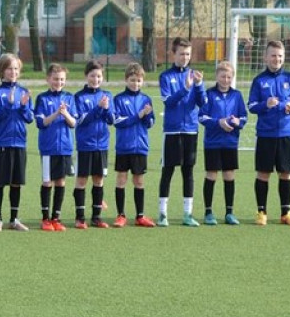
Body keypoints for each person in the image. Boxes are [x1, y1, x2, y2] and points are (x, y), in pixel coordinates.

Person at [248, 39, 290, 226]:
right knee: (263, 173)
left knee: (286, 173)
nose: (277, 59)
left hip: (286, 133)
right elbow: (252, 106)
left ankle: (285, 213)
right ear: (265, 57)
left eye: (280, 56)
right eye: (273, 55)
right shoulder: (259, 81)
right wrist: (266, 104)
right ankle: (261, 212)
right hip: (266, 134)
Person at [157, 37, 205, 227]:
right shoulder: (165, 76)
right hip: (172, 131)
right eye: (181, 53)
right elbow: (169, 102)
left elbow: (203, 103)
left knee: (188, 172)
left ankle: (187, 213)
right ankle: (162, 213)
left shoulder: (196, 76)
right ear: (173, 54)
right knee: (168, 171)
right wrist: (186, 88)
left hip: (191, 130)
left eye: (188, 54)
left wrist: (199, 86)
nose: (185, 57)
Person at [0, 53, 34, 231]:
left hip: (19, 144)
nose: (13, 72)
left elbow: (29, 118)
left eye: (16, 68)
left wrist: (23, 105)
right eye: (9, 68)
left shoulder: (24, 91)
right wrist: (8, 104)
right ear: (2, 70)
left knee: (16, 182)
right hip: (2, 143)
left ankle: (14, 219)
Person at [198, 60, 247, 226]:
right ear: (217, 76)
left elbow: (244, 117)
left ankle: (229, 212)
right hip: (212, 142)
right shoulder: (209, 94)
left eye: (228, 77)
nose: (225, 79)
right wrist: (219, 122)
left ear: (232, 77)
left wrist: (236, 122)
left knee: (229, 175)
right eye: (222, 76)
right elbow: (202, 117)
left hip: (230, 142)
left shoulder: (237, 95)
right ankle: (208, 212)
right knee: (212, 174)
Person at [112, 62, 157, 228]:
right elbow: (118, 122)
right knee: (121, 179)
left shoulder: (146, 99)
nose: (135, 83)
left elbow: (151, 122)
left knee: (139, 181)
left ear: (142, 81)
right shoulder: (118, 99)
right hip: (124, 146)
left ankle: (140, 215)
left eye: (138, 80)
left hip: (140, 147)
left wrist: (146, 116)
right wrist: (139, 115)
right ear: (126, 80)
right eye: (132, 80)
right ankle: (121, 215)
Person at [34, 63, 78, 231]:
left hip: (65, 148)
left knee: (60, 181)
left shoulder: (69, 98)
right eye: (55, 79)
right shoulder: (42, 98)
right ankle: (45, 219)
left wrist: (65, 113)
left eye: (61, 79)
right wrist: (56, 114)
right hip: (48, 148)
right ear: (48, 79)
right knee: (47, 182)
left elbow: (73, 123)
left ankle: (56, 218)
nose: (58, 82)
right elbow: (41, 122)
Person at [73, 59, 113, 229]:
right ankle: (80, 218)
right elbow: (80, 120)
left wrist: (106, 109)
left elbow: (111, 120)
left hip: (102, 145)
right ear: (86, 76)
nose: (95, 79)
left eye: (98, 76)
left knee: (98, 180)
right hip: (85, 145)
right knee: (81, 180)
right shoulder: (79, 97)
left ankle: (96, 217)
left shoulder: (107, 95)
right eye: (92, 76)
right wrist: (97, 108)